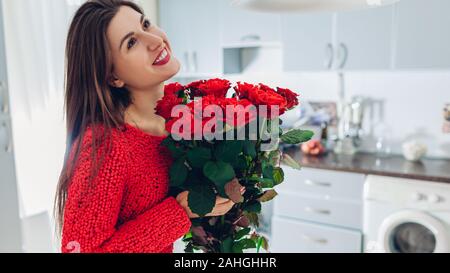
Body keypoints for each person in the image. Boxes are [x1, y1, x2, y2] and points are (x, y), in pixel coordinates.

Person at [54, 0, 235, 253]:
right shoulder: (106, 145)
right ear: (112, 76)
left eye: (146, 24)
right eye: (131, 42)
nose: (154, 40)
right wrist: (178, 213)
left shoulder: (178, 117)